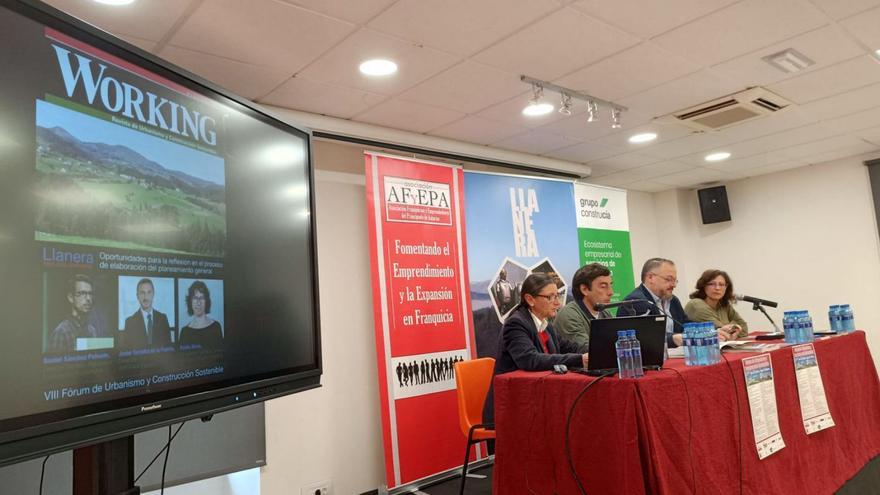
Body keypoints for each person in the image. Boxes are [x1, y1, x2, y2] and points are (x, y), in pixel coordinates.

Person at [483, 273, 589, 424]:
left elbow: (569, 346)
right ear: (530, 299)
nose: (557, 303)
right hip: (513, 407)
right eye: (550, 297)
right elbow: (530, 360)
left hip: (538, 400)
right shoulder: (516, 324)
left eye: (557, 296)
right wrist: (580, 359)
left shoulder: (546, 325)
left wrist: (595, 350)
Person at [620, 258, 732, 348]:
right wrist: (674, 339)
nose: (674, 285)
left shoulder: (672, 300)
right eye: (669, 279)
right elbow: (644, 338)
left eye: (675, 280)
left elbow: (685, 325)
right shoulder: (636, 302)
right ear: (650, 278)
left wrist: (712, 331)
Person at [554, 263, 614, 347]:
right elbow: (589, 350)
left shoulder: (605, 313)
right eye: (603, 286)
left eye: (611, 285)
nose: (611, 292)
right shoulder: (569, 315)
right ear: (584, 289)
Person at [684, 269, 748, 339]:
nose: (717, 288)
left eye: (721, 284)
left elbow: (744, 328)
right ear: (703, 286)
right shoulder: (696, 304)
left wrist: (732, 330)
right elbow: (722, 333)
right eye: (712, 284)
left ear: (726, 287)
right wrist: (734, 327)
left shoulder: (724, 305)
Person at [49, 275, 101, 353]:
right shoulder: (61, 332)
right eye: (82, 293)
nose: (88, 298)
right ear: (70, 298)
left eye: (90, 294)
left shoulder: (92, 330)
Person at [121, 278, 172, 349]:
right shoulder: (130, 322)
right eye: (142, 293)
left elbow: (168, 348)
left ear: (153, 294)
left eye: (149, 292)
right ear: (137, 296)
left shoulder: (163, 319)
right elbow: (127, 352)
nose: (146, 297)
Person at [179, 280, 223, 349]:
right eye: (195, 298)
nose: (198, 303)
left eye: (202, 298)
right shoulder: (184, 332)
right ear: (190, 302)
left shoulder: (216, 327)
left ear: (206, 301)